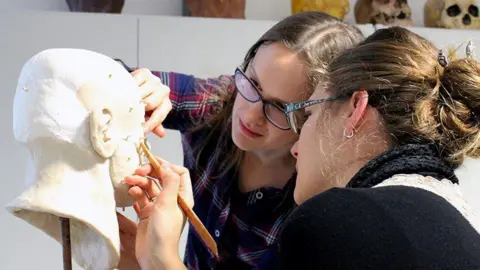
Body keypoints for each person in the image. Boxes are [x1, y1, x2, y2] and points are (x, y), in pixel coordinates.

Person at [126, 26, 480, 269]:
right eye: (251, 83)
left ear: (355, 110)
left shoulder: (339, 220)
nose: (298, 148)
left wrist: (159, 256)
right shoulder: (458, 221)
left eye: (305, 114)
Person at [117, 11, 365, 269]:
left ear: (318, 117)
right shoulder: (218, 102)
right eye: (253, 84)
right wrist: (132, 87)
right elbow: (85, 77)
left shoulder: (318, 205)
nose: (251, 114)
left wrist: (159, 259)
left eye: (280, 107)